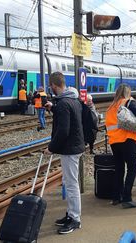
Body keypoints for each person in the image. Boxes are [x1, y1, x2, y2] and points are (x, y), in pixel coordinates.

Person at [44, 72, 84, 234]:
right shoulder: (72, 99)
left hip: (70, 148)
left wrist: (51, 148)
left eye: (50, 86)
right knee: (69, 182)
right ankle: (71, 214)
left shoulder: (63, 104)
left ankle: (75, 219)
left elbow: (63, 130)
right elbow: (68, 118)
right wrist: (53, 109)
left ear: (54, 85)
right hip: (75, 146)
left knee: (71, 184)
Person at [105, 84, 136, 209]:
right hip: (126, 139)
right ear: (127, 92)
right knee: (132, 167)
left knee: (119, 169)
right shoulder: (127, 101)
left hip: (114, 141)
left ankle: (116, 197)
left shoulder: (111, 106)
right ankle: (127, 198)